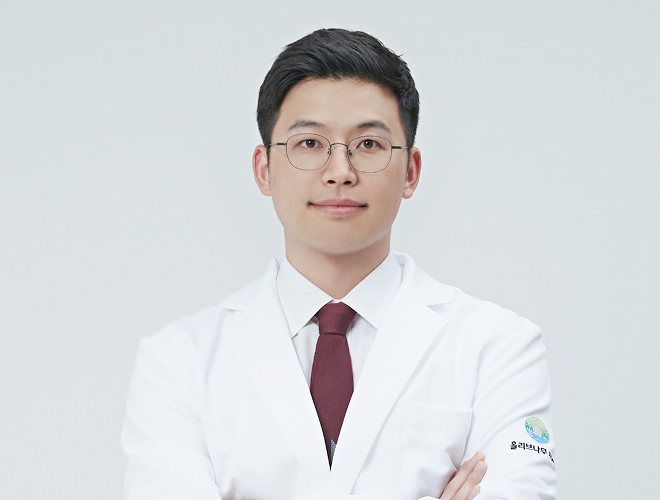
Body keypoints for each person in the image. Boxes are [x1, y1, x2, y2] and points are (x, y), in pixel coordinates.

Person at [121, 28, 556, 500]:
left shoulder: (499, 347)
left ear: (410, 172)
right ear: (264, 170)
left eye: (368, 144)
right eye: (310, 143)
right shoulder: (177, 361)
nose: (340, 172)